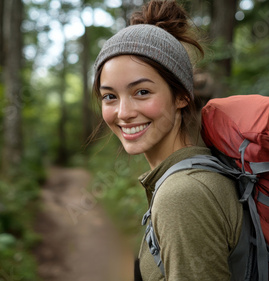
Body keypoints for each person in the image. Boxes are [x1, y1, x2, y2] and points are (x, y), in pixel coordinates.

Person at [92, 0, 244, 280]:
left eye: (142, 92)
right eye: (110, 96)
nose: (123, 114)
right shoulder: (195, 174)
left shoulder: (183, 195)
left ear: (182, 96)